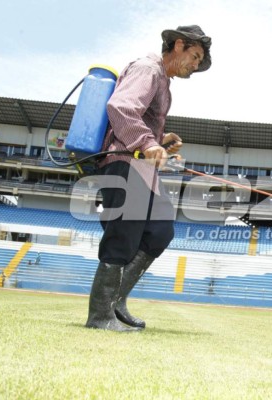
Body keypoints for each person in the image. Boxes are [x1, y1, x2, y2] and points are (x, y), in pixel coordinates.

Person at [85, 25, 212, 332]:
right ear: (178, 44)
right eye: (194, 57)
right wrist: (149, 143)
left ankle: (115, 303)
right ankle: (100, 315)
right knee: (124, 234)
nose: (196, 66)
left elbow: (138, 118)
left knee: (159, 231)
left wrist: (161, 138)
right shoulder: (148, 68)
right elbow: (122, 107)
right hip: (123, 162)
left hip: (142, 169)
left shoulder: (164, 81)